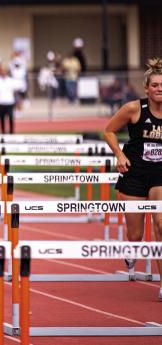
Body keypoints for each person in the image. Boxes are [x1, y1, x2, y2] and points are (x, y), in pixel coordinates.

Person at [103, 58, 162, 301]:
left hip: (160, 173)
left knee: (161, 225)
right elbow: (108, 130)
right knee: (136, 235)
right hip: (134, 173)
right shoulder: (134, 109)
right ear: (147, 88)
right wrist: (119, 154)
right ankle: (131, 248)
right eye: (156, 85)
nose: (160, 89)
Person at [0, 64, 24, 134]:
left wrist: (18, 102)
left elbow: (17, 91)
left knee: (11, 118)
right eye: (1, 71)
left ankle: (11, 133)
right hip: (0, 103)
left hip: (9, 102)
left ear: (7, 72)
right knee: (1, 119)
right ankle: (3, 133)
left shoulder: (11, 81)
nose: (3, 72)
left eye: (4, 71)